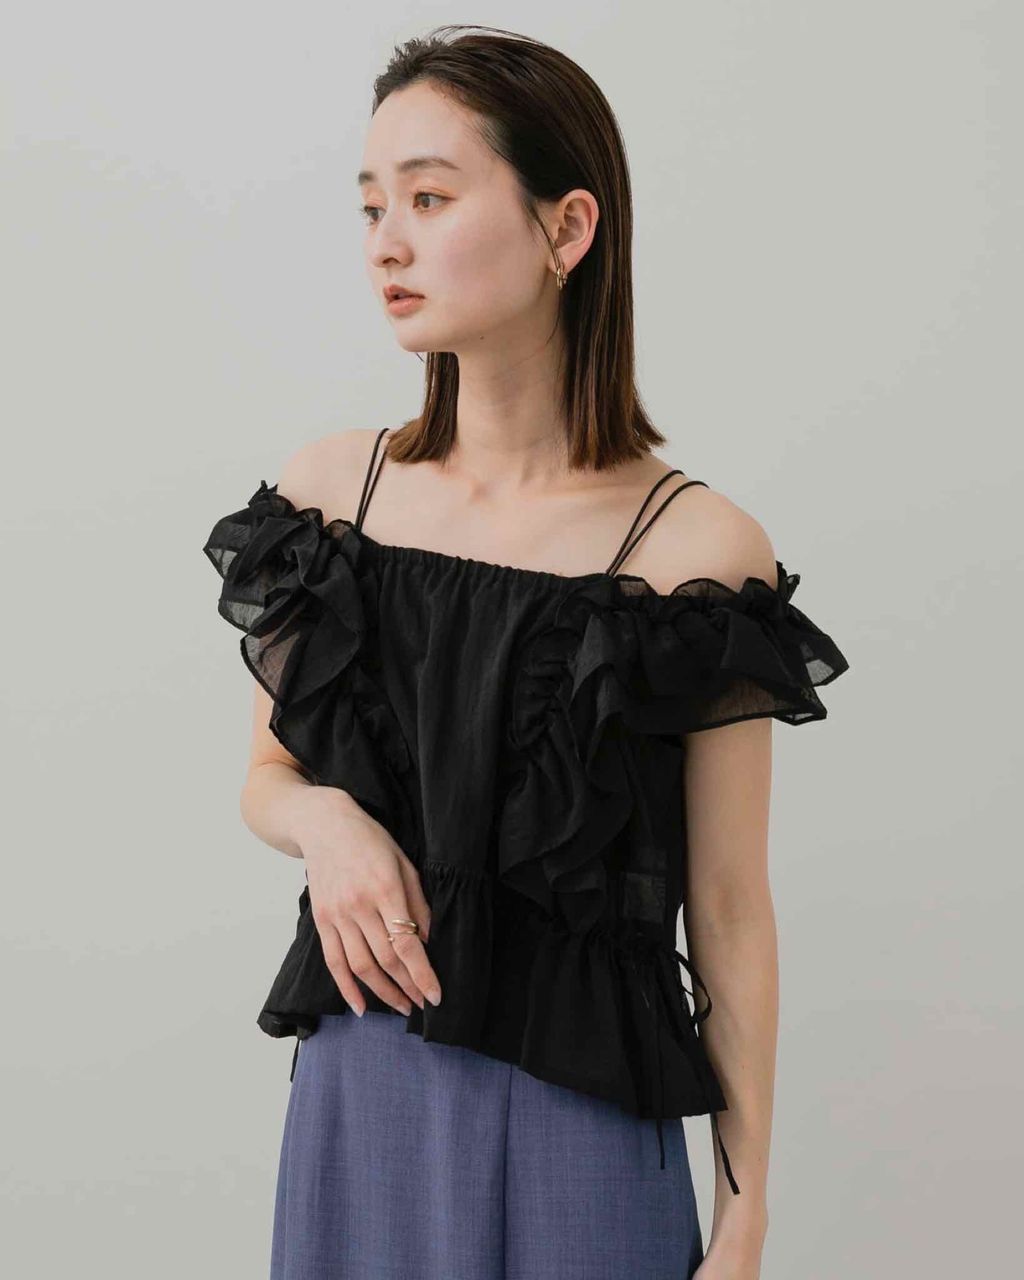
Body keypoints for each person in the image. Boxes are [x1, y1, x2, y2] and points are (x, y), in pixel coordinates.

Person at [202, 25, 850, 1280]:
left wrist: (746, 1216)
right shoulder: (330, 502)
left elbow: (727, 906)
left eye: (430, 198)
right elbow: (266, 777)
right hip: (359, 1093)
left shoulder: (695, 554)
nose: (386, 242)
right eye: (372, 205)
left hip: (581, 1120)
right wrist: (327, 823)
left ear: (567, 228)